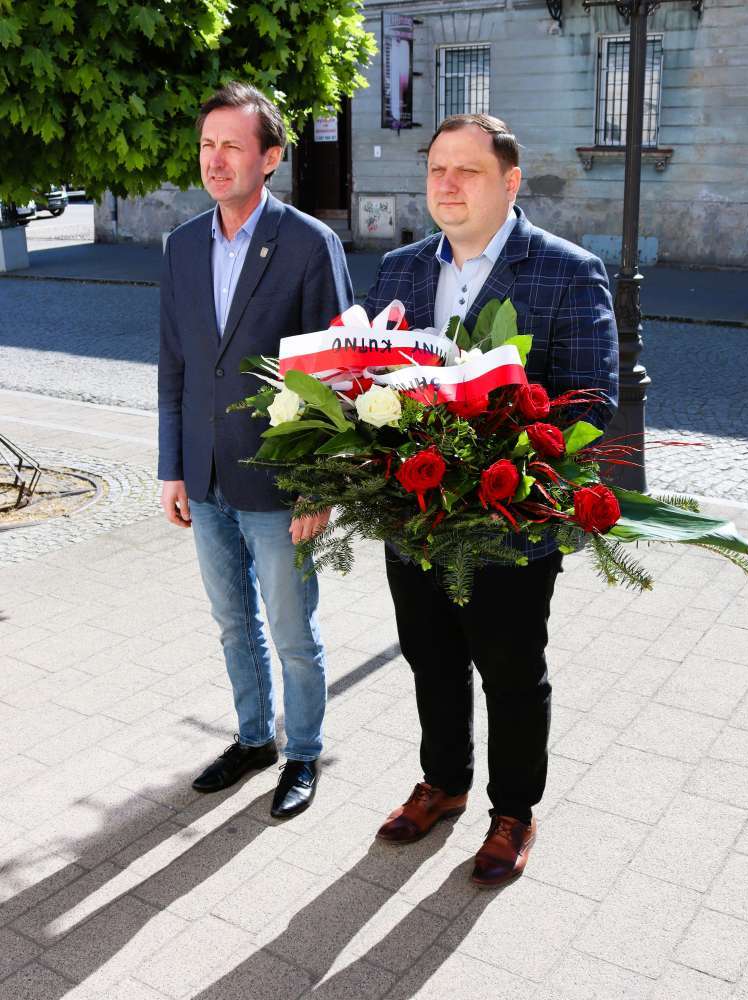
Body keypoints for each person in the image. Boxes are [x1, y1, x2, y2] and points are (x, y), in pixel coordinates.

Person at [363, 114, 618, 886]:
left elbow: (592, 399)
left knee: (510, 673)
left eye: (466, 170)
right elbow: (369, 381)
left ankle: (513, 811)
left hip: (507, 522)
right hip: (412, 516)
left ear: (509, 182)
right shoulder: (400, 269)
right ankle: (442, 783)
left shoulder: (566, 270)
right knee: (430, 660)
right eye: (436, 169)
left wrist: (494, 454)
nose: (446, 184)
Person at [158, 82, 353, 818]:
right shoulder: (181, 245)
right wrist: (172, 467)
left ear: (269, 158)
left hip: (279, 483)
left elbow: (338, 374)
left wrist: (321, 483)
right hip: (204, 475)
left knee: (292, 631)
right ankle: (252, 739)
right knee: (233, 623)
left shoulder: (308, 244)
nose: (215, 160)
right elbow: (175, 365)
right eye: (207, 145)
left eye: (232, 146)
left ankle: (302, 752)